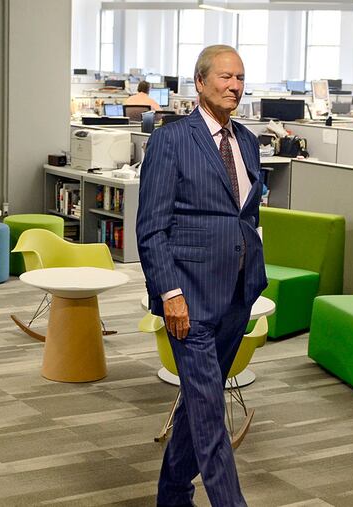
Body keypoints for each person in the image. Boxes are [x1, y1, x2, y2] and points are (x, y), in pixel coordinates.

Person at [136, 45, 267, 507]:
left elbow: (244, 214)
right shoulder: (172, 140)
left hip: (236, 294)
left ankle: (172, 493)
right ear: (200, 82)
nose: (235, 85)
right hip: (187, 298)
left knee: (200, 402)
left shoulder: (247, 140)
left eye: (241, 78)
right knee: (212, 415)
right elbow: (151, 227)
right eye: (226, 77)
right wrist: (169, 292)